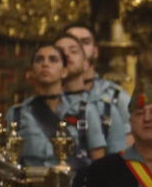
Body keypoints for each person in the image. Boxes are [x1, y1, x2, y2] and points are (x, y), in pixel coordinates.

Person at [7, 43, 107, 172]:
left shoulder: (84, 110)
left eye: (53, 60)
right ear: (31, 72)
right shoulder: (17, 114)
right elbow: (10, 161)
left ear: (64, 71)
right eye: (39, 60)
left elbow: (99, 161)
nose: (45, 64)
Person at [62, 24, 131, 153]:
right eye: (71, 42)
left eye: (85, 42)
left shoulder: (117, 98)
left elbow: (127, 150)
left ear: (95, 51)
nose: (78, 47)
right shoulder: (50, 97)